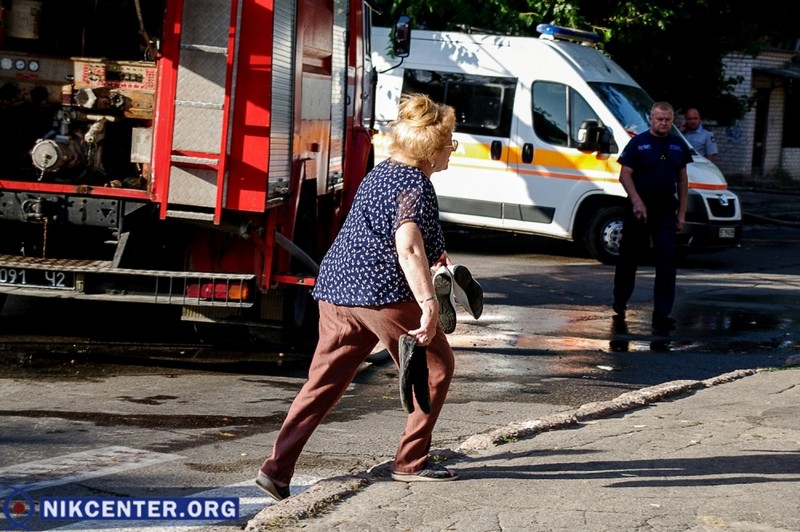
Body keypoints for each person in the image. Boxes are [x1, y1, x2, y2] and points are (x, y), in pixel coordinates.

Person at [255, 93, 461, 502]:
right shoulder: (415, 187)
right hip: (380, 294)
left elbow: (389, 233)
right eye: (450, 142)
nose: (452, 150)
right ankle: (411, 462)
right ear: (430, 150)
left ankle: (276, 470)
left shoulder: (383, 172)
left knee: (324, 382)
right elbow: (408, 247)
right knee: (438, 365)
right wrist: (429, 303)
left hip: (336, 290)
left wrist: (439, 261)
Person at [612, 101, 692, 332]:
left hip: (665, 210)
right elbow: (625, 175)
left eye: (668, 120)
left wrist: (682, 213)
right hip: (638, 209)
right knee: (629, 258)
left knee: (666, 261)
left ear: (673, 120)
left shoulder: (677, 146)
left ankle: (662, 312)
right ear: (651, 119)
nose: (663, 123)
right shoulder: (639, 143)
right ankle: (620, 301)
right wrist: (636, 200)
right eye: (659, 119)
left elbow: (683, 179)